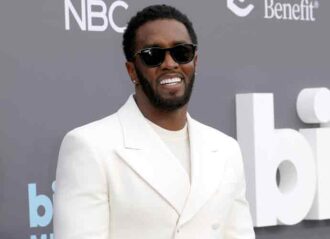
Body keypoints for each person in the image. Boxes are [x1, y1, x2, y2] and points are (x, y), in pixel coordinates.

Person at [53, 4, 255, 239]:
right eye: (153, 55)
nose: (170, 63)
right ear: (132, 71)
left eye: (182, 52)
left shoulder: (226, 149)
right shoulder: (90, 146)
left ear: (195, 62)